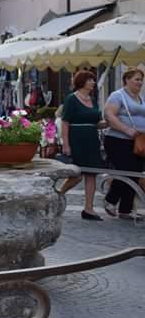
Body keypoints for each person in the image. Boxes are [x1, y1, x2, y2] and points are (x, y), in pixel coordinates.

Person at [59, 70, 107, 221]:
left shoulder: (92, 99)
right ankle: (58, 194)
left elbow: (95, 123)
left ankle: (89, 209)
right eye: (90, 80)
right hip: (77, 139)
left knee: (91, 173)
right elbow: (65, 122)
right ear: (82, 82)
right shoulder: (71, 99)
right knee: (77, 175)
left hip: (92, 139)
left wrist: (110, 122)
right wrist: (66, 144)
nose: (93, 82)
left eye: (93, 80)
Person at [103, 67, 145, 221]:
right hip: (117, 140)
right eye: (137, 79)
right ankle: (111, 200)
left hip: (138, 142)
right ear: (127, 80)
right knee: (125, 170)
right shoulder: (117, 95)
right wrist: (127, 130)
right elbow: (109, 115)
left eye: (141, 80)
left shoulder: (141, 98)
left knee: (136, 173)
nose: (140, 83)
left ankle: (125, 210)